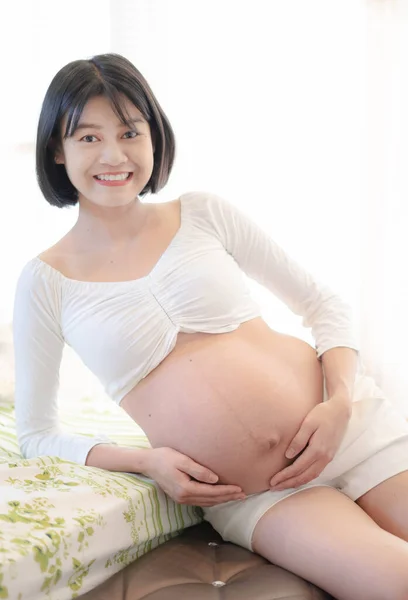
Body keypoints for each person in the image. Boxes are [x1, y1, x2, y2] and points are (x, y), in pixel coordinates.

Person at [12, 53, 408, 600]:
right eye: (87, 137)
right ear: (56, 150)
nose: (114, 155)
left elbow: (324, 305)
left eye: (130, 131)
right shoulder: (45, 281)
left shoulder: (203, 213)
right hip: (258, 494)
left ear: (154, 135)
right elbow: (35, 434)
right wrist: (147, 462)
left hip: (352, 432)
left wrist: (338, 403)